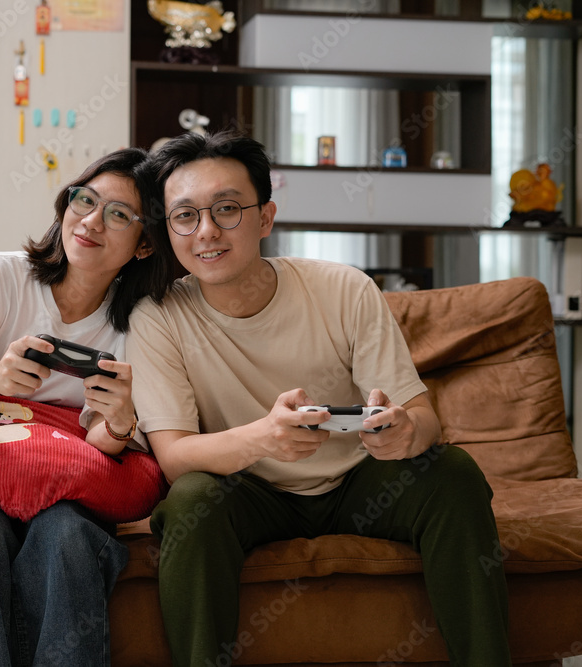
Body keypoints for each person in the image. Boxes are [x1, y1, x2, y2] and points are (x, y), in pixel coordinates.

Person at [125, 130, 511, 666]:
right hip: (249, 494)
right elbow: (174, 456)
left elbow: (425, 420)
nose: (206, 231)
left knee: (451, 472)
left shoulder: (344, 289)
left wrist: (406, 433)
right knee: (191, 499)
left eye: (227, 209)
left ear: (266, 217)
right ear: (168, 230)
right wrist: (263, 439)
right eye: (185, 216)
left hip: (357, 482)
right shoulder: (158, 317)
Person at [0, 147, 172, 667]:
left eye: (118, 214)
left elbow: (105, 449)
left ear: (144, 244)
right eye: (84, 200)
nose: (90, 222)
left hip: (63, 493)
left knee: (67, 531)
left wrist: (118, 421)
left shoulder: (140, 323)